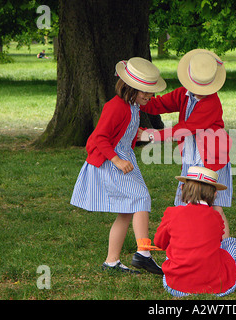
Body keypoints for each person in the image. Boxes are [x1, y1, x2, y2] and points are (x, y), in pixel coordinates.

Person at [70, 57, 166, 274]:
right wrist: (117, 160)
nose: (149, 96)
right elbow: (98, 138)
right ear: (130, 87)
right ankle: (143, 253)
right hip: (110, 161)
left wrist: (140, 136)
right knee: (141, 197)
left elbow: (125, 133)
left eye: (151, 92)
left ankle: (111, 262)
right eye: (145, 92)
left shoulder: (134, 106)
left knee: (126, 210)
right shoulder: (115, 107)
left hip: (124, 158)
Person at [140, 49, 232, 238]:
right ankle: (188, 243)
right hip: (192, 155)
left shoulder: (211, 103)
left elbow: (185, 128)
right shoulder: (184, 93)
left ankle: (222, 249)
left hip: (212, 159)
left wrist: (150, 136)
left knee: (214, 206)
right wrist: (140, 98)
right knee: (187, 201)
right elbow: (160, 105)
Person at [154, 166, 236, 297]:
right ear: (215, 194)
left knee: (172, 247)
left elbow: (159, 243)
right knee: (234, 243)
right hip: (216, 289)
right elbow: (218, 243)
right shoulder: (216, 217)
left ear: (182, 188)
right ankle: (229, 278)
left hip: (174, 286)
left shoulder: (172, 213)